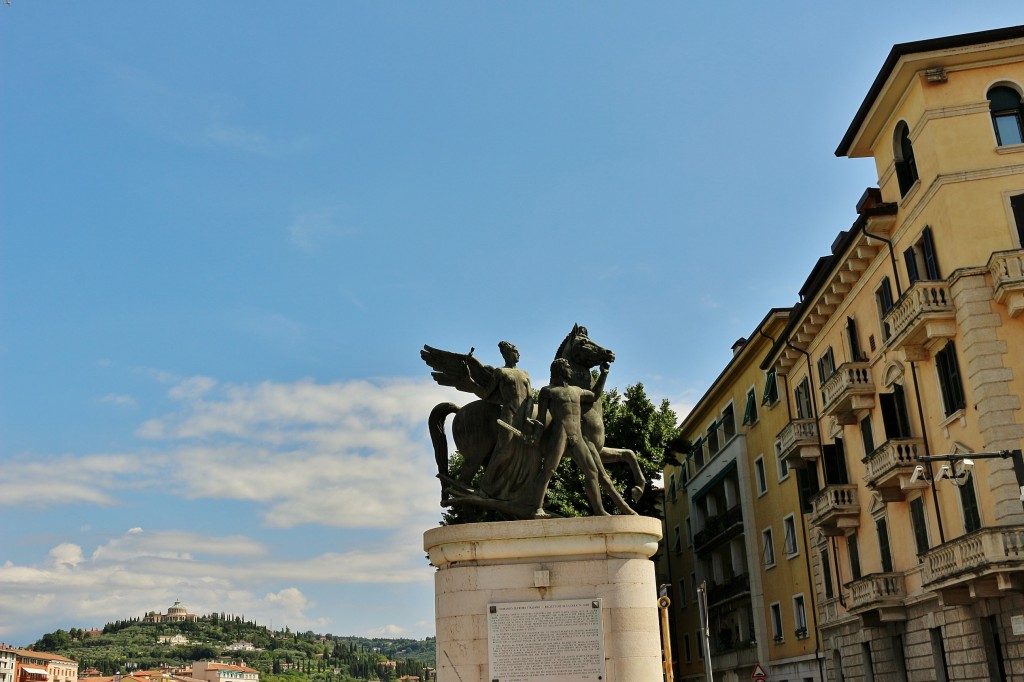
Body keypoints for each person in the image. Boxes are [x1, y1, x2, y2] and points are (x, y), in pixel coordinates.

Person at [530, 357, 636, 517]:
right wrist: (535, 436)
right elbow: (541, 418)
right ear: (560, 370)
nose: (571, 370)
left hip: (577, 434)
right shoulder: (548, 391)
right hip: (560, 432)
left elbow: (594, 395)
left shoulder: (576, 390)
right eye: (568, 367)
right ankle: (538, 508)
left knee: (592, 472)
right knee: (549, 470)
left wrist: (604, 375)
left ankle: (599, 510)